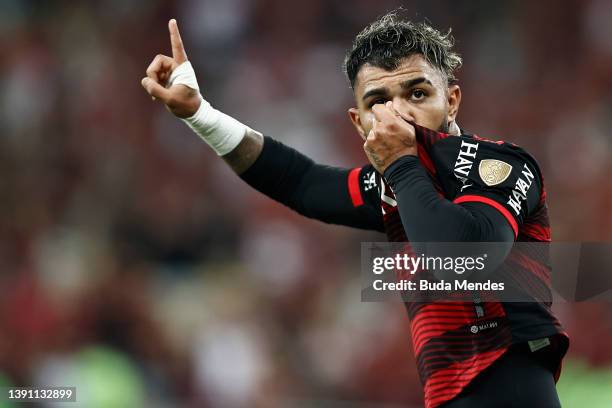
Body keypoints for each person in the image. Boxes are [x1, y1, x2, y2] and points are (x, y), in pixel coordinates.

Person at [141, 12, 569, 408]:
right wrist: (201, 114)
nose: (400, 112)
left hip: (512, 385)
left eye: (417, 93)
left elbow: (466, 256)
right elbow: (300, 181)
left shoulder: (499, 165)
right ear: (358, 121)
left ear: (452, 101)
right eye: (378, 101)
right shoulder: (395, 186)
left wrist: (400, 162)